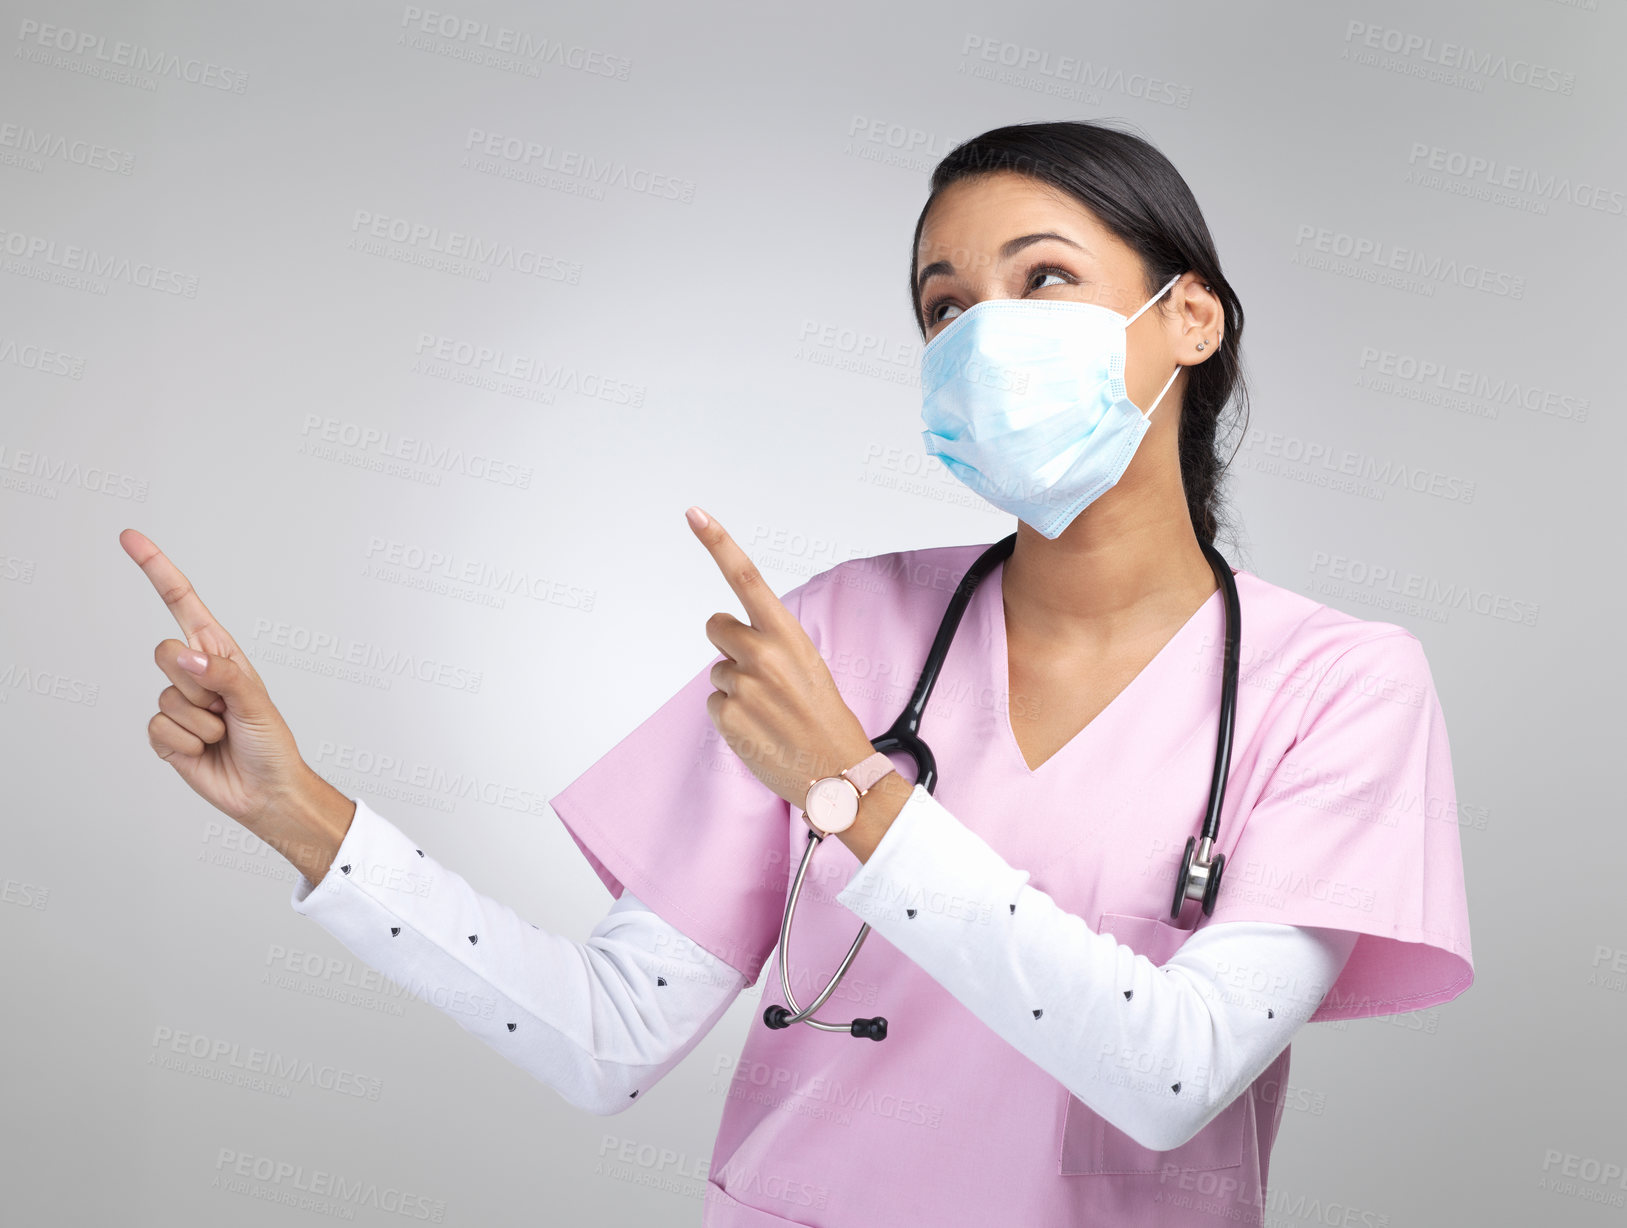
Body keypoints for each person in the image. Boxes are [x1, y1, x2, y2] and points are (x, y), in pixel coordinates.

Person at [128, 119, 1473, 1227]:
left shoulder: (1337, 687)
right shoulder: (840, 631)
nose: (982, 333)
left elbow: (1174, 1075)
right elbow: (607, 1038)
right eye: (945, 306)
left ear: (1190, 319)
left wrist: (855, 790)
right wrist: (296, 810)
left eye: (1043, 279)